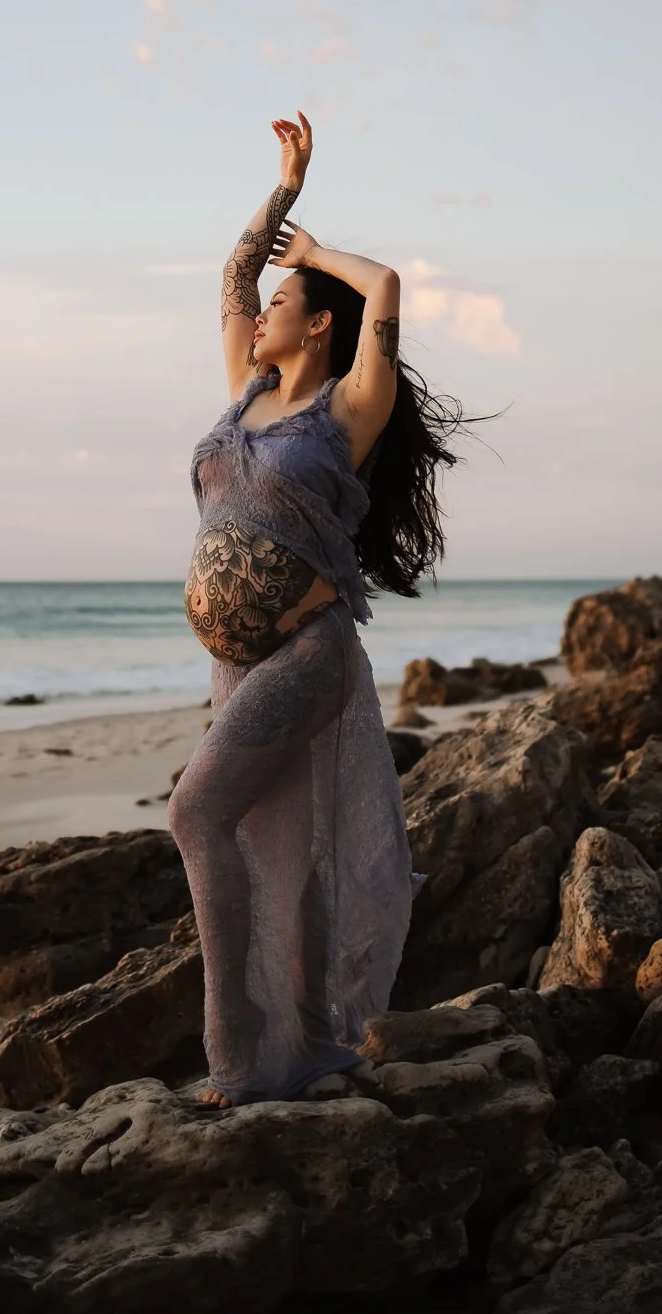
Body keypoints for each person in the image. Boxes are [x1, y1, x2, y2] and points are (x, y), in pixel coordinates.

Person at [167, 111, 470, 1106]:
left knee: (194, 811)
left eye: (283, 300)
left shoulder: (346, 409)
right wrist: (282, 191)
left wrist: (323, 254)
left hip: (306, 651)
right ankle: (298, 1051)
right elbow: (229, 278)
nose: (261, 312)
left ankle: (236, 1057)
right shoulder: (241, 391)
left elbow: (383, 287)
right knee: (277, 853)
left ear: (319, 323)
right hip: (240, 665)